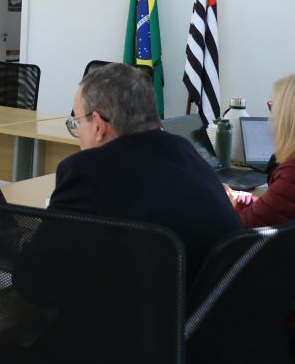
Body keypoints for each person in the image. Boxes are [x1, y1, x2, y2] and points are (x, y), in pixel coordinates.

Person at [49, 62, 241, 281]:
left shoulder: (86, 170)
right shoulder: (184, 149)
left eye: (77, 122)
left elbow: (37, 281)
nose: (78, 133)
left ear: (98, 125)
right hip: (214, 307)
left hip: (160, 311)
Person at [228, 74, 295, 227]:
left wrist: (221, 204)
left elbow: (241, 226)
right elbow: (276, 209)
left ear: (287, 118)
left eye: (272, 107)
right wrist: (238, 201)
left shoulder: (291, 177)